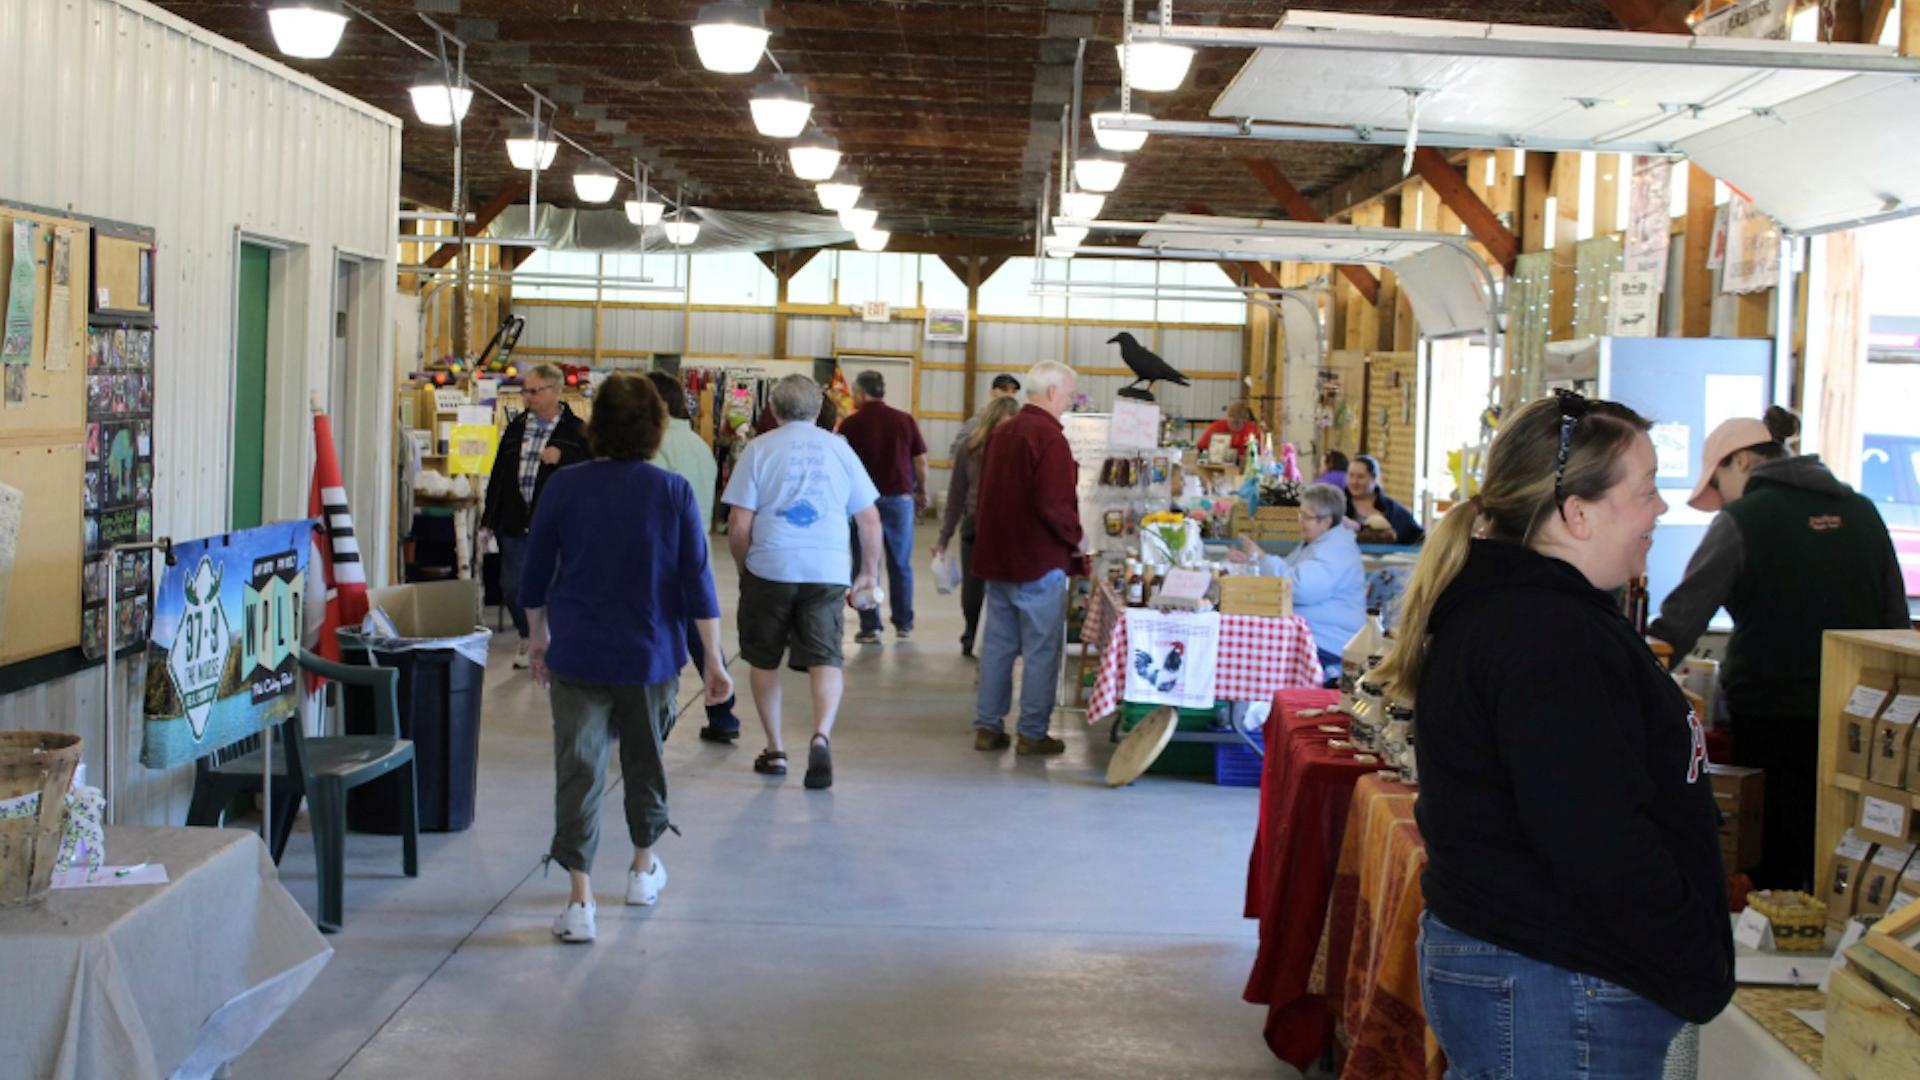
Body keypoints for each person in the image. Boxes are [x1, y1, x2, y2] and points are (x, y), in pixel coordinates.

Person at [1373, 390, 1732, 1074]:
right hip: (1560, 981)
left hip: (1543, 973)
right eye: (1647, 490)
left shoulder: (1530, 616)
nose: (1660, 510)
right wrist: (1688, 948)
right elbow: (1595, 836)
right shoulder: (1549, 637)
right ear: (1576, 513)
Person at [1649, 407, 1909, 891]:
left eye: (1719, 480)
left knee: (1771, 862)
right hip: (1858, 719)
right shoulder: (1862, 510)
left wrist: (1635, 674)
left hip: (1770, 716)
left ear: (1741, 461)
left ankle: (1777, 951)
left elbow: (1680, 621)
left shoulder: (1742, 518)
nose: (1723, 495)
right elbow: (1895, 621)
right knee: (1841, 851)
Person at [519, 372, 734, 945]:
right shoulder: (672, 492)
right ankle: (642, 869)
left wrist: (538, 637)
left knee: (579, 768)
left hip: (579, 652)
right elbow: (697, 584)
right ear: (656, 428)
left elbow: (534, 576)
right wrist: (714, 659)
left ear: (597, 425)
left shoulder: (564, 487)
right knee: (646, 761)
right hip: (650, 655)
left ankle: (580, 901)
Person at [722, 375, 884, 790]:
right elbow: (868, 519)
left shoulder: (758, 449)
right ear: (818, 410)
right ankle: (820, 735)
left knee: (763, 658)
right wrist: (868, 571)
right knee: (826, 657)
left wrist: (745, 567)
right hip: (826, 568)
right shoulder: (841, 450)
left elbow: (739, 523)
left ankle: (775, 749)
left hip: (770, 565)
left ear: (773, 410)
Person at [972, 361, 1083, 755]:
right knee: (1040, 651)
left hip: (998, 557)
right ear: (1052, 393)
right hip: (1038, 560)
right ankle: (1032, 733)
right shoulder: (1050, 439)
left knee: (999, 647)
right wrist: (1077, 540)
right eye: (1069, 394)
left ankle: (988, 726)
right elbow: (1054, 504)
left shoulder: (1002, 432)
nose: (1070, 402)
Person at [646, 372, 744, 744]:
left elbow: (650, 505)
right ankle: (723, 713)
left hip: (665, 551)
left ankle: (643, 714)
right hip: (697, 545)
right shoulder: (698, 444)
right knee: (700, 632)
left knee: (658, 629)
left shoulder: (656, 446)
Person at [482, 363, 590, 668]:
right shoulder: (516, 428)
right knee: (513, 585)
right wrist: (488, 521)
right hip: (516, 523)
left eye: (533, 391)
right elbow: (500, 475)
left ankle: (553, 641)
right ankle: (529, 635)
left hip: (559, 528)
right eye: (525, 391)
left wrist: (564, 456)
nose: (527, 397)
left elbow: (593, 469)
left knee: (556, 586)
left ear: (554, 391)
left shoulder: (577, 430)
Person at [1228, 483, 1364, 685]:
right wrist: (1253, 564)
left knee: (1249, 651)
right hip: (1314, 634)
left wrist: (1264, 559)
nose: (1300, 522)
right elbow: (1289, 573)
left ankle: (1253, 710)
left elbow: (1299, 588)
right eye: (1300, 514)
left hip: (1329, 643)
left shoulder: (1337, 550)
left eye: (1306, 517)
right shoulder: (1318, 543)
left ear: (1326, 522)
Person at [837, 370, 928, 644]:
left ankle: (870, 625)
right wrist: (922, 490)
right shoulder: (904, 420)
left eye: (854, 393)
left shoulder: (851, 425)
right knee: (900, 564)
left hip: (862, 505)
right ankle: (903, 623)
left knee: (866, 563)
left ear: (862, 393)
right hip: (899, 500)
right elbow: (920, 461)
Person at [934, 395, 1022, 658]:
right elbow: (956, 495)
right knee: (994, 587)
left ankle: (972, 634)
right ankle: (989, 635)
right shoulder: (1012, 448)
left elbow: (956, 496)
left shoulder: (968, 448)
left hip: (979, 523)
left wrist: (944, 537)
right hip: (996, 525)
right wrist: (943, 537)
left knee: (975, 587)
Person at [1344, 453, 1424, 545]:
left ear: (1373, 478)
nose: (1354, 481)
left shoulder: (1393, 509)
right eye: (1351, 475)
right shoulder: (1338, 505)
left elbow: (1418, 538)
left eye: (1360, 477)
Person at [1197, 400, 1262, 457]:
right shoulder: (1216, 427)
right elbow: (1201, 447)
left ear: (1245, 420)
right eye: (1231, 422)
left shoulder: (1252, 429)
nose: (1233, 426)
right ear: (1227, 418)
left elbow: (1260, 451)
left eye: (1237, 423)